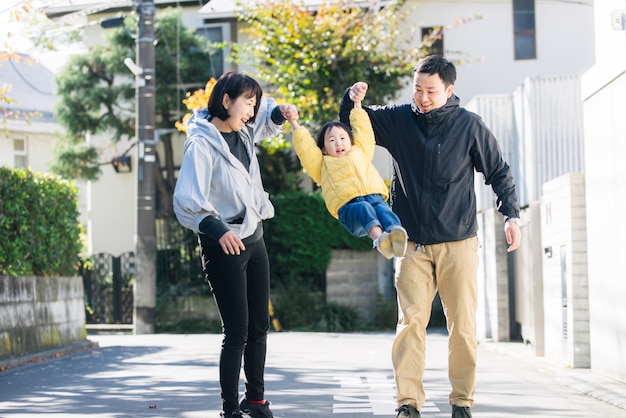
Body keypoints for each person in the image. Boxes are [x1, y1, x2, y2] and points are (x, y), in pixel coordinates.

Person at [339, 55, 521, 418]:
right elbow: (351, 122)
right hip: (412, 244)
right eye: (418, 89)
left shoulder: (469, 126)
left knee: (463, 328)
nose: (422, 97)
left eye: (430, 91)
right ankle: (408, 403)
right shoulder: (397, 119)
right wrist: (351, 97)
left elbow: (498, 171)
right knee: (410, 325)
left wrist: (511, 214)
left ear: (449, 90)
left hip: (459, 243)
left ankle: (462, 402)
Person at [173, 71, 297, 418]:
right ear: (226, 100)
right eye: (247, 103)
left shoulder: (243, 130)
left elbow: (266, 122)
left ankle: (255, 401)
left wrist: (278, 111)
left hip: (254, 240)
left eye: (255, 104)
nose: (251, 110)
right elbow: (186, 200)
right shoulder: (201, 143)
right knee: (237, 331)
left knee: (259, 326)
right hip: (223, 246)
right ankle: (230, 409)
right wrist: (216, 228)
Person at [285, 82, 408, 259]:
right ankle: (380, 239)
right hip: (349, 208)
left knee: (382, 208)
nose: (339, 143)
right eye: (332, 140)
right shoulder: (321, 164)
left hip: (374, 196)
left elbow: (363, 129)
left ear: (351, 142)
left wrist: (357, 104)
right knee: (363, 207)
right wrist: (294, 122)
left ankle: (395, 234)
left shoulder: (361, 150)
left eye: (343, 138)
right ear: (324, 149)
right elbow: (306, 150)